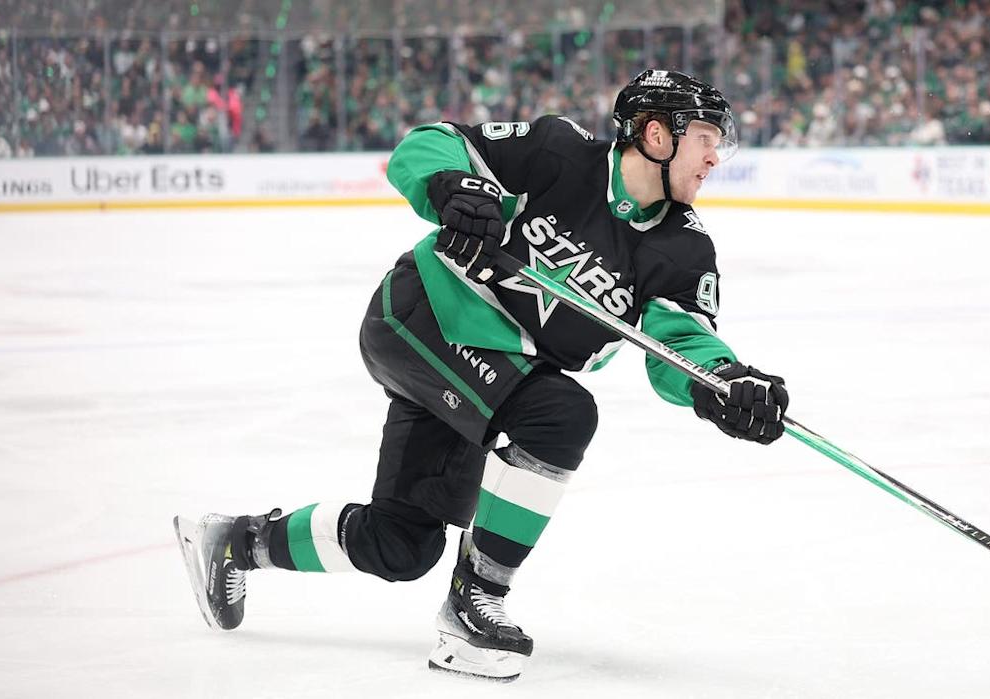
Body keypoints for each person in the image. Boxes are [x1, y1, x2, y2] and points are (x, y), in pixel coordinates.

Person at [174, 69, 790, 682]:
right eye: (706, 136)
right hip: (422, 318)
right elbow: (426, 144)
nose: (716, 156)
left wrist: (723, 385)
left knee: (401, 544)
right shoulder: (559, 152)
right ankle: (474, 607)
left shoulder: (684, 251)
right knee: (561, 413)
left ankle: (237, 542)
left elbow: (681, 345)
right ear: (656, 135)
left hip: (495, 373)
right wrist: (454, 188)